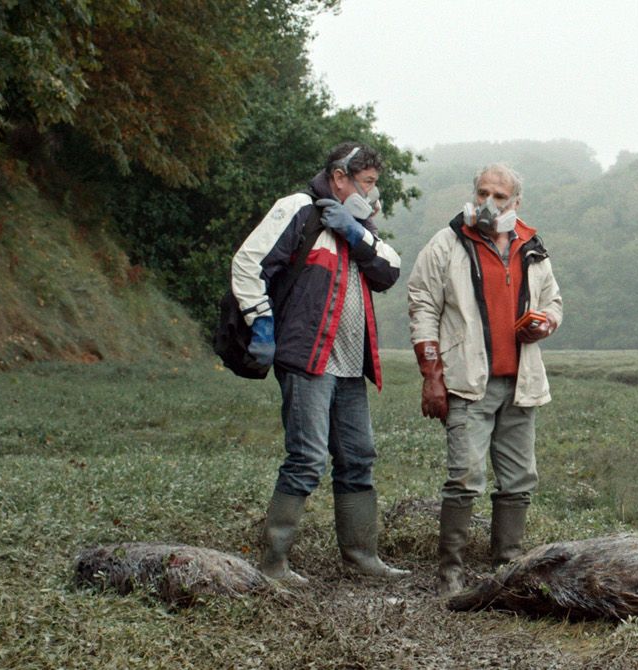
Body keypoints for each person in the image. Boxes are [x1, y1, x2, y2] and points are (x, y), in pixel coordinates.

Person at [231, 142, 407, 584]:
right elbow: (248, 263)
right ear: (340, 176)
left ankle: (362, 557)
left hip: (349, 362)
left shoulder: (359, 224)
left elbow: (389, 269)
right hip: (307, 357)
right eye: (366, 182)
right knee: (307, 457)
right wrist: (262, 324)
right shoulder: (298, 209)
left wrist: (356, 232)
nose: (372, 193)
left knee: (358, 456)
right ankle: (273, 563)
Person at [406, 163, 563, 596]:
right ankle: (450, 573)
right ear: (473, 194)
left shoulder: (532, 245)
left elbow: (554, 302)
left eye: (499, 196)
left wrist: (544, 323)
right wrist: (431, 375)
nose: (488, 203)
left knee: (519, 479)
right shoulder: (447, 242)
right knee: (464, 477)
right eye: (482, 193)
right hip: (466, 382)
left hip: (521, 383)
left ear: (516, 202)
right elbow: (422, 305)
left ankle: (508, 566)